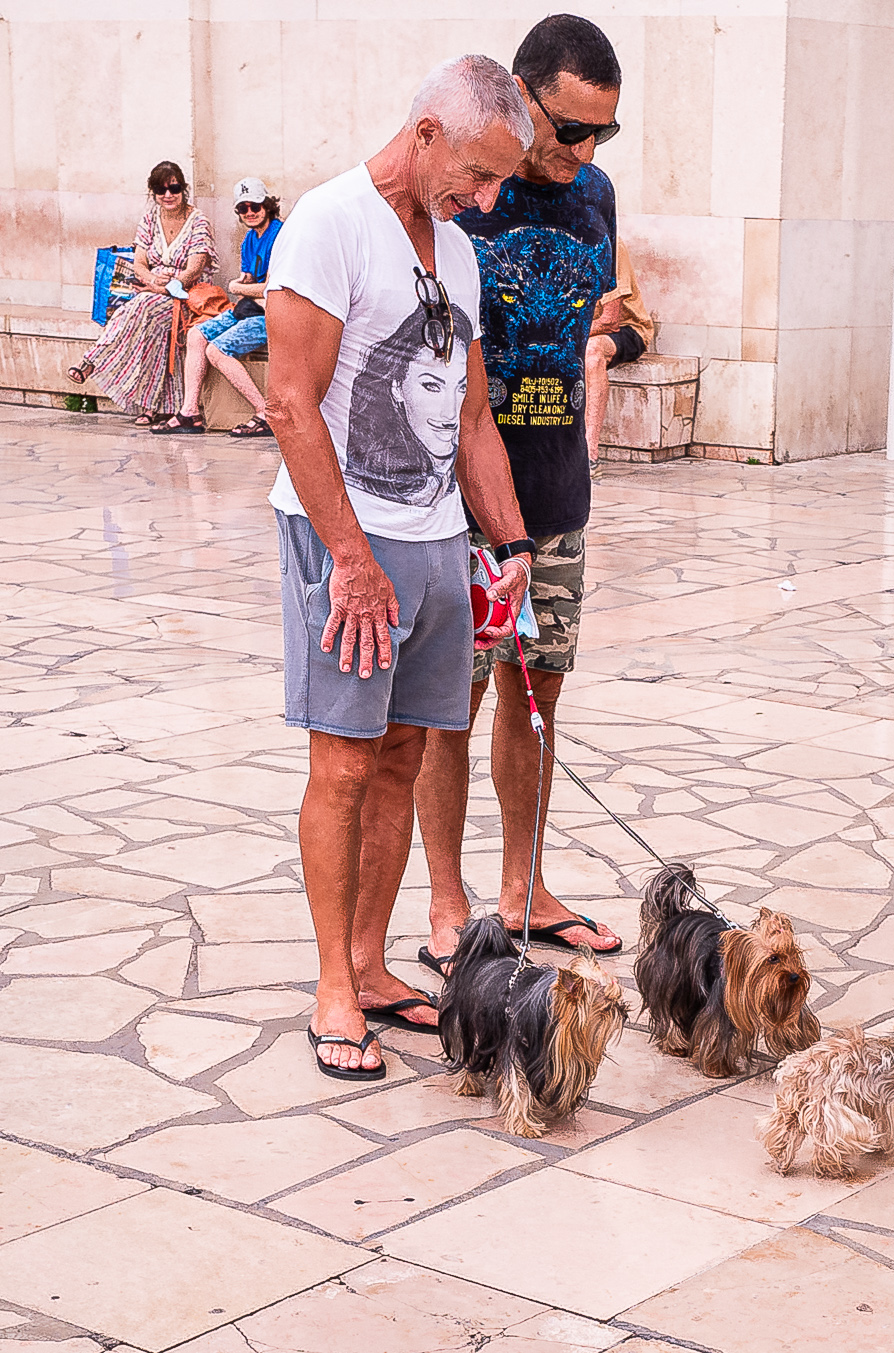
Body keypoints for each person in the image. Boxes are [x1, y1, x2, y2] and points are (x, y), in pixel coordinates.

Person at [263, 55, 536, 1079]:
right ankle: (335, 983)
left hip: (432, 542)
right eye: (477, 173)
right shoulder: (328, 226)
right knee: (340, 763)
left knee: (405, 756)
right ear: (424, 134)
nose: (488, 197)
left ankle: (375, 967)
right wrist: (350, 557)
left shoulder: (457, 252)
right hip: (346, 542)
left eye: (500, 179)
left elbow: (470, 417)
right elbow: (290, 403)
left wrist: (506, 543)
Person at [416, 14, 626, 971]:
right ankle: (451, 904)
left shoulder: (596, 198)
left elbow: (593, 321)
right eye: (571, 130)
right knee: (444, 703)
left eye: (604, 136)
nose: (584, 154)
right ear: (521, 97)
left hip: (556, 490)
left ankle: (524, 886)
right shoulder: (465, 196)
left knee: (536, 694)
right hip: (456, 505)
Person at [67, 162, 218, 426]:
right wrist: (150, 280)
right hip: (153, 292)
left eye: (174, 188)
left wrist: (162, 287)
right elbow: (139, 263)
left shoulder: (198, 221)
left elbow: (195, 268)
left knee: (140, 306)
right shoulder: (150, 219)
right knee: (149, 324)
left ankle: (92, 360)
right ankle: (154, 405)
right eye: (161, 190)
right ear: (153, 192)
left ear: (183, 189)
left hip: (187, 295)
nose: (168, 195)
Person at [156, 177, 282, 437]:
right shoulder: (249, 238)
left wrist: (238, 288)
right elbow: (249, 279)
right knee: (196, 334)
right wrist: (243, 287)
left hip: (273, 313)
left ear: (267, 205)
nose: (249, 213)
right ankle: (189, 411)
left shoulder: (280, 235)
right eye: (242, 208)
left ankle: (265, 412)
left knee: (217, 350)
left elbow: (268, 288)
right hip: (250, 308)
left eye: (254, 206)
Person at [584, 246, 655, 472]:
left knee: (592, 353)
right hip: (575, 330)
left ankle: (589, 453)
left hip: (625, 330)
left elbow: (610, 320)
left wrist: (564, 333)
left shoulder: (609, 243)